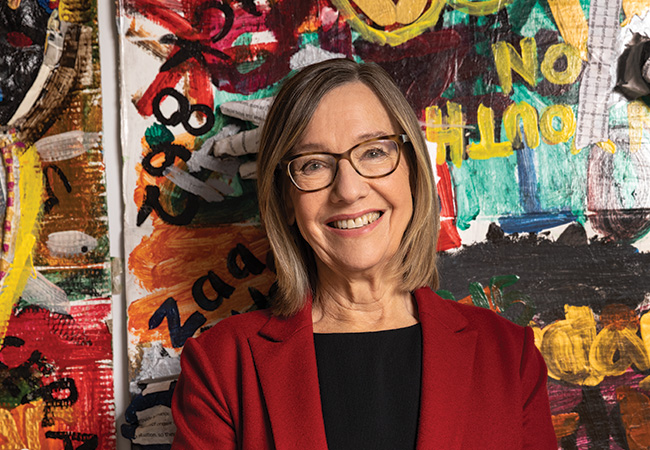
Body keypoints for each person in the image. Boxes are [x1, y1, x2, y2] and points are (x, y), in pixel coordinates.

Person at [171, 58, 557, 449]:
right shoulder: (220, 366)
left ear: (412, 172)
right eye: (314, 164)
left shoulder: (510, 356)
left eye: (373, 152)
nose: (349, 190)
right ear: (286, 200)